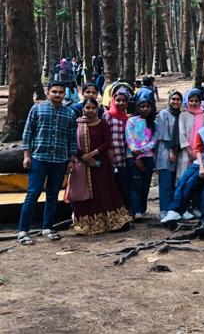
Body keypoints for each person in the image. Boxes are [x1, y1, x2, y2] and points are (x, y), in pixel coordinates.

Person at [18, 82, 78, 245]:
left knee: (52, 195)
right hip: (39, 158)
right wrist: (26, 156)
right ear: (47, 93)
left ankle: (48, 228)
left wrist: (72, 160)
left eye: (60, 92)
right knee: (33, 193)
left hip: (60, 160)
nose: (57, 95)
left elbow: (72, 139)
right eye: (54, 92)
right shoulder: (37, 109)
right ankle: (23, 231)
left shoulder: (70, 114)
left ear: (64, 94)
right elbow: (28, 133)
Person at [67, 97, 132, 234]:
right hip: (82, 165)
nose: (90, 111)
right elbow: (71, 142)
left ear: (98, 109)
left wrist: (92, 154)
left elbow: (107, 143)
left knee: (105, 191)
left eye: (93, 108)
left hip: (101, 165)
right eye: (88, 108)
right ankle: (86, 225)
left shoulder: (103, 124)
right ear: (83, 109)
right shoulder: (77, 124)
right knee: (86, 194)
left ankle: (113, 223)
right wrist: (82, 156)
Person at [161, 106, 204, 223]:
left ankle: (179, 210)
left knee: (191, 183)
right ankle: (173, 211)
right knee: (183, 181)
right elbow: (199, 151)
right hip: (200, 163)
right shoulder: (202, 131)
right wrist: (201, 167)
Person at [155, 91, 184, 219]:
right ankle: (164, 210)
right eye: (173, 99)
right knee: (165, 182)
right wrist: (171, 151)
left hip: (179, 152)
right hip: (165, 152)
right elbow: (163, 134)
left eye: (178, 99)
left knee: (174, 182)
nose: (175, 102)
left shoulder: (182, 115)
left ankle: (172, 209)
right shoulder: (164, 114)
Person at [103, 89, 131, 209]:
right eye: (118, 100)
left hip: (123, 156)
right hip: (109, 155)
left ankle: (125, 210)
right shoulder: (108, 115)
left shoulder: (128, 118)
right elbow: (103, 135)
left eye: (123, 101)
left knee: (124, 184)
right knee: (110, 185)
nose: (120, 103)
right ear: (113, 101)